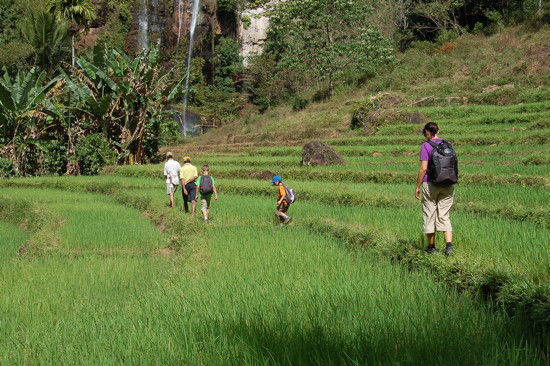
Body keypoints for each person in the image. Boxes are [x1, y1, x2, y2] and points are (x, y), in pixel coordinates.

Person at [415, 122, 455, 256]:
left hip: (431, 184)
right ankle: (449, 246)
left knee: (430, 213)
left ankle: (431, 247)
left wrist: (417, 186)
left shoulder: (426, 146)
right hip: (448, 184)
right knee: (444, 215)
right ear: (439, 130)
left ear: (426, 132)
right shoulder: (447, 144)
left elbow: (423, 168)